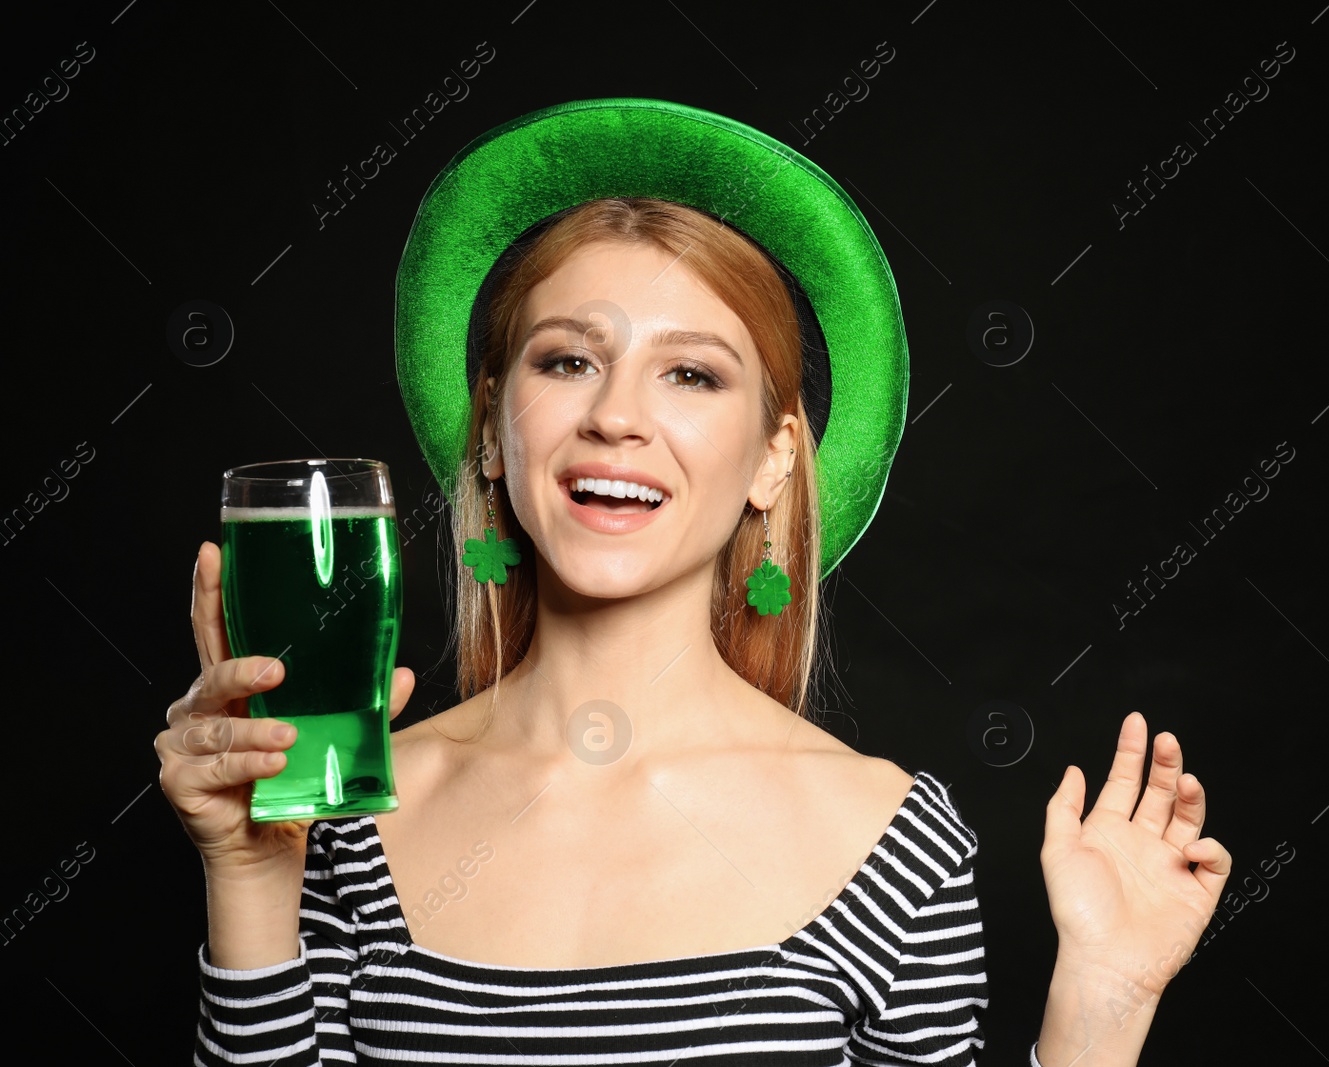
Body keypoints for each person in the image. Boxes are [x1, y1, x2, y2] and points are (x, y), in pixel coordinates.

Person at [158, 100, 1230, 1066]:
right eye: (567, 359)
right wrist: (251, 877)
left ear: (773, 459)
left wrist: (1102, 998)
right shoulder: (349, 813)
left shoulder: (892, 842)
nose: (615, 414)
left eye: (690, 373)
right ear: (492, 430)